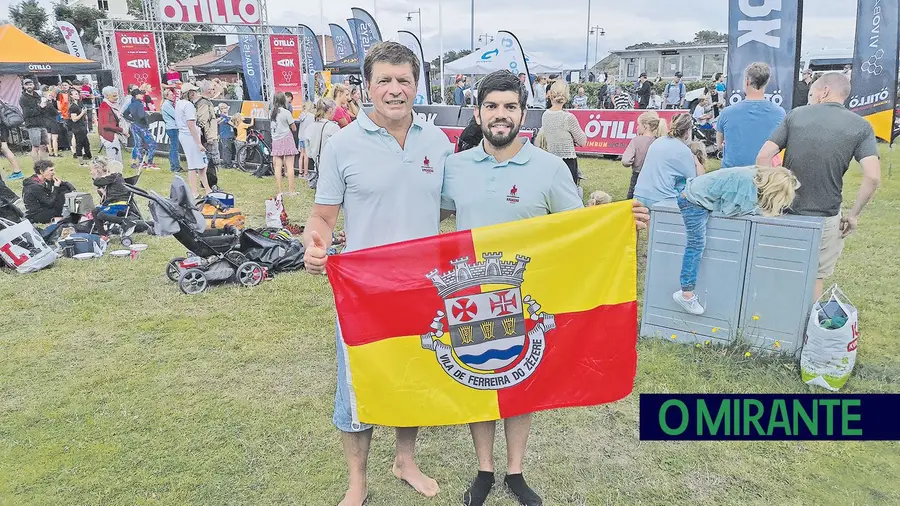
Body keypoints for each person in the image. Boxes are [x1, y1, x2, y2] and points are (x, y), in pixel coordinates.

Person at [439, 70, 650, 506]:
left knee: (519, 381)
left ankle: (515, 471)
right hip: (471, 296)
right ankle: (484, 469)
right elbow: (427, 221)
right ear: (478, 112)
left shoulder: (550, 168)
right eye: (492, 106)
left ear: (523, 113)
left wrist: (616, 223)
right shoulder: (453, 167)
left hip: (526, 297)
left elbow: (578, 229)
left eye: (510, 107)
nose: (501, 115)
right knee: (479, 380)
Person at [302, 41, 453, 506]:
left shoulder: (437, 141)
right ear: (367, 86)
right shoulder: (343, 144)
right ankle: (357, 482)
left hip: (423, 288)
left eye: (403, 80)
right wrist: (315, 242)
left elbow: (457, 209)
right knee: (357, 388)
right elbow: (323, 216)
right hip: (363, 293)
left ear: (415, 85)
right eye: (384, 80)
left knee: (411, 378)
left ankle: (405, 460)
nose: (394, 89)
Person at [756, 72, 881, 300]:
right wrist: (853, 215)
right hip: (827, 215)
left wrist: (771, 199)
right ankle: (806, 330)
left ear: (824, 92)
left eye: (811, 93)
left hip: (786, 211)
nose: (810, 98)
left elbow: (764, 157)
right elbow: (873, 176)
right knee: (816, 275)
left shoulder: (795, 115)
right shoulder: (861, 126)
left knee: (779, 268)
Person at [672, 165, 799, 314]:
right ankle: (686, 293)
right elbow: (729, 210)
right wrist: (758, 211)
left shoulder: (752, 177)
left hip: (699, 195)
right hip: (693, 201)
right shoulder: (746, 184)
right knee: (696, 243)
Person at [715, 62, 785, 168]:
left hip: (732, 176)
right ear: (767, 82)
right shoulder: (780, 113)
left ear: (747, 81)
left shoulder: (727, 113)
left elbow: (720, 145)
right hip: (765, 177)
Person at [633, 113, 704, 208]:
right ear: (687, 132)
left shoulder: (658, 141)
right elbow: (697, 183)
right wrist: (697, 162)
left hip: (639, 194)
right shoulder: (684, 151)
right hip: (661, 200)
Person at [541, 80, 587, 185]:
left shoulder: (545, 115)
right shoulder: (568, 117)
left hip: (551, 159)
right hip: (568, 162)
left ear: (551, 95)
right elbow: (582, 141)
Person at [176, 83, 211, 198]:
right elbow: (190, 125)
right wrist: (199, 143)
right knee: (194, 165)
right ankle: (195, 192)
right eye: (193, 91)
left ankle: (207, 189)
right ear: (190, 93)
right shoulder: (188, 105)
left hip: (185, 135)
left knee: (200, 164)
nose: (195, 93)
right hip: (190, 136)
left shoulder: (179, 104)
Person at [622, 111, 667, 199]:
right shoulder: (659, 141)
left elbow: (625, 161)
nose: (637, 127)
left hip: (638, 175)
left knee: (632, 201)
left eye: (638, 125)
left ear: (645, 126)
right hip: (655, 177)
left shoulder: (636, 141)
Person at [21, 159, 76, 224]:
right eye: (51, 170)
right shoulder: (34, 186)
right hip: (38, 214)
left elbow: (64, 183)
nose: (53, 172)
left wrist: (73, 190)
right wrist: (56, 187)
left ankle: (70, 212)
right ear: (41, 171)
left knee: (64, 189)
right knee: (63, 199)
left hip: (45, 207)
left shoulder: (44, 179)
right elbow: (49, 202)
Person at [305, 99, 340, 188]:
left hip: (317, 166)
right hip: (332, 168)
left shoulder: (309, 128)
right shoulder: (333, 128)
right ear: (330, 110)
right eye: (334, 111)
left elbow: (308, 153)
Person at [269, 92, 298, 194]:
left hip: (276, 139)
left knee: (277, 166)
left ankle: (280, 190)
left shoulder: (271, 112)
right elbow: (293, 128)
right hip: (286, 138)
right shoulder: (286, 112)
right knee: (290, 166)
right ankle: (291, 190)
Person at [123, 88, 158, 169]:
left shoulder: (131, 104)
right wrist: (146, 117)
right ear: (136, 95)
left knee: (139, 145)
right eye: (140, 94)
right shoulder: (139, 104)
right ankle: (149, 163)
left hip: (134, 126)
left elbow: (125, 114)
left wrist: (133, 119)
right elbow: (142, 115)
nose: (142, 95)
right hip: (142, 127)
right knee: (152, 145)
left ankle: (141, 162)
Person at [20, 79, 49, 161]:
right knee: (35, 146)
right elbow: (27, 113)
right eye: (27, 85)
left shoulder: (37, 95)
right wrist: (40, 107)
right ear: (24, 86)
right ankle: (37, 166)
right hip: (32, 125)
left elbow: (43, 109)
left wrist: (45, 105)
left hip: (42, 123)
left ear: (33, 85)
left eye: (30, 84)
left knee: (44, 145)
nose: (29, 86)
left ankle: (44, 164)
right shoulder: (23, 98)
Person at [98, 86, 127, 163]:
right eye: (114, 96)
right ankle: (114, 174)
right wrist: (121, 130)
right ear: (107, 96)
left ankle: (117, 173)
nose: (117, 97)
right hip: (108, 136)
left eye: (117, 95)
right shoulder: (104, 106)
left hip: (112, 135)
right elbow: (106, 124)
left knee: (118, 160)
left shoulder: (111, 105)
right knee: (113, 161)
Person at [66, 89, 91, 165]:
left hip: (82, 126)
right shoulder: (73, 107)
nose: (77, 95)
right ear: (71, 96)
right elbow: (74, 119)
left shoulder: (79, 104)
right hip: (78, 128)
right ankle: (81, 162)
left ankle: (88, 157)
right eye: (75, 94)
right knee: (79, 144)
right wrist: (82, 113)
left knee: (86, 143)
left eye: (77, 94)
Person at [0, 102, 23, 180]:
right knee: (5, 148)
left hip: (1, 129)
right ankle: (17, 171)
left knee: (5, 149)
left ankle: (17, 172)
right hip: (3, 129)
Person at [161, 89, 182, 172]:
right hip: (172, 128)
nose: (173, 96)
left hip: (173, 127)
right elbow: (175, 114)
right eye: (171, 95)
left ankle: (175, 165)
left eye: (173, 94)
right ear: (166, 96)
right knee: (174, 148)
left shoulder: (169, 104)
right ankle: (175, 166)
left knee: (174, 147)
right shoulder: (166, 105)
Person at [296, 101, 316, 180]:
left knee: (301, 155)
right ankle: (306, 173)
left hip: (301, 137)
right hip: (307, 137)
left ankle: (300, 173)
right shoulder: (312, 116)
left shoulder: (302, 115)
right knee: (306, 155)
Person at [217, 103, 235, 168]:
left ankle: (227, 163)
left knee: (227, 150)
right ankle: (227, 164)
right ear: (221, 109)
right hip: (225, 136)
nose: (227, 109)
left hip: (228, 135)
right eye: (225, 107)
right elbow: (233, 125)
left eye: (227, 107)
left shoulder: (223, 117)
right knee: (227, 150)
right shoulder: (224, 117)